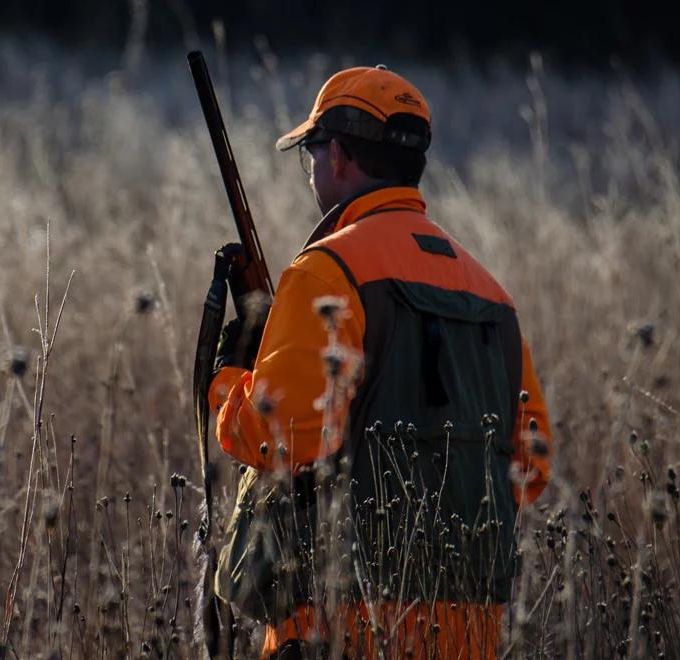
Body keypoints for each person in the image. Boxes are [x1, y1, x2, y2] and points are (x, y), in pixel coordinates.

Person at [207, 65, 553, 659]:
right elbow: (530, 468)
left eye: (312, 152)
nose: (313, 169)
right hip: (473, 631)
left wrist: (231, 378)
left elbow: (283, 438)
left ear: (338, 156)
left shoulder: (325, 272)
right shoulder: (490, 294)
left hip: (341, 624)